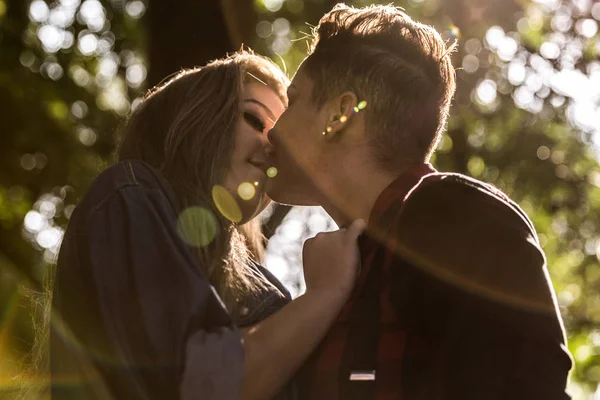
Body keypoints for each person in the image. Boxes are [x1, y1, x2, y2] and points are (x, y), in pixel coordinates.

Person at [267, 4, 573, 399]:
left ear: (340, 114)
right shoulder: (345, 268)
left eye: (293, 101)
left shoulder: (455, 215)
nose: (273, 131)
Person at [50, 50, 364, 400]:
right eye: (255, 120)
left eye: (282, 143)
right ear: (199, 114)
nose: (272, 148)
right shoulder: (130, 194)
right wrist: (323, 296)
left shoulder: (260, 280)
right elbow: (198, 383)